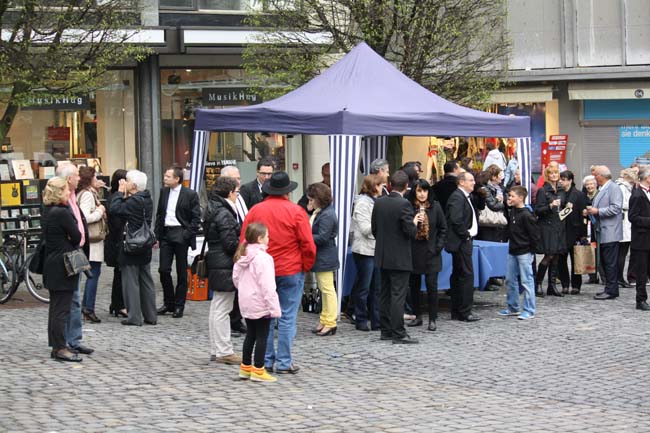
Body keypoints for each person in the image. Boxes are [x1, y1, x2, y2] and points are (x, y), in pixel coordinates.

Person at [240, 171, 316, 374]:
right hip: (290, 269)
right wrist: (305, 265)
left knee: (264, 316)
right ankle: (283, 362)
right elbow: (308, 244)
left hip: (261, 270)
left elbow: (244, 241)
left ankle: (265, 360)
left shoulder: (255, 210)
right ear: (287, 192)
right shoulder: (296, 211)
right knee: (287, 316)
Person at [372, 170, 419, 344]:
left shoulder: (379, 202)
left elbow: (375, 229)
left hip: (383, 254)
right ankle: (398, 332)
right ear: (406, 186)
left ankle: (386, 330)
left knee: (385, 294)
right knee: (398, 295)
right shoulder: (404, 204)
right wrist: (415, 223)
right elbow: (410, 231)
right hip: (399, 257)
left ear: (390, 185)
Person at [233, 223, 282, 382]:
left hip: (246, 301)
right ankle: (259, 370)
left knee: (251, 334)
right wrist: (274, 307)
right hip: (260, 302)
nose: (269, 238)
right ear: (260, 239)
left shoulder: (242, 255)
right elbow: (268, 286)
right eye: (267, 236)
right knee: (262, 336)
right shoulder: (263, 258)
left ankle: (245, 367)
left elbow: (236, 278)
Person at [43, 177, 83, 362]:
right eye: (66, 189)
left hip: (52, 263)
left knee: (55, 309)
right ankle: (60, 348)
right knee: (61, 310)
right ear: (60, 192)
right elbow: (76, 236)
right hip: (63, 265)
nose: (69, 192)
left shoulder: (48, 210)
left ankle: (56, 346)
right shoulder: (61, 212)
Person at [109, 170, 157, 326]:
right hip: (145, 244)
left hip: (132, 245)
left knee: (130, 282)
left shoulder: (134, 201)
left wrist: (119, 192)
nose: (125, 182)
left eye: (127, 180)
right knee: (146, 280)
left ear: (134, 185)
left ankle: (134, 317)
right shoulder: (147, 198)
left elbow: (114, 209)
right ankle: (150, 315)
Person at [55, 162, 93, 355]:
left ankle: (74, 339)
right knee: (69, 300)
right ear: (69, 178)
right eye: (77, 175)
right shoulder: (60, 201)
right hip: (67, 255)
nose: (79, 178)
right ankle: (67, 341)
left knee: (75, 299)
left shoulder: (72, 197)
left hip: (77, 253)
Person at [204, 177, 242, 365]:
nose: (237, 196)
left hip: (216, 261)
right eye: (236, 192)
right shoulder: (224, 212)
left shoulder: (213, 207)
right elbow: (229, 243)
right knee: (223, 307)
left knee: (217, 306)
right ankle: (224, 351)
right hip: (224, 263)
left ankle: (216, 349)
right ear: (229, 193)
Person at [155, 166, 201, 319]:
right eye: (165, 175)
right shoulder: (164, 192)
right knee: (163, 269)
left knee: (181, 272)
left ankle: (179, 305)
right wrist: (157, 234)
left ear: (177, 179)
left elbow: (196, 217)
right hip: (166, 233)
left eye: (168, 176)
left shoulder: (190, 194)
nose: (165, 178)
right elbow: (160, 214)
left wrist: (186, 234)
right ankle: (169, 302)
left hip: (181, 233)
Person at [406, 179, 447, 331]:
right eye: (419, 191)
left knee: (432, 286)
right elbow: (404, 228)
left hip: (431, 252)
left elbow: (443, 228)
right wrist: (413, 222)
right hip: (414, 251)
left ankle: (432, 318)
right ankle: (417, 316)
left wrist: (438, 247)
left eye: (425, 191)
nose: (422, 194)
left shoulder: (435, 206)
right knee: (414, 286)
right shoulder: (409, 207)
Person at [498, 186, 540, 320]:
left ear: (520, 198)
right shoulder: (513, 211)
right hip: (513, 250)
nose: (509, 198)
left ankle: (529, 309)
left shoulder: (526, 215)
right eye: (509, 196)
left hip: (524, 251)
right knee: (510, 279)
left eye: (512, 196)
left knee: (527, 281)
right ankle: (513, 307)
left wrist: (531, 251)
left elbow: (534, 235)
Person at [445, 172, 482, 322]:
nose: (474, 183)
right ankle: (465, 311)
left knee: (460, 274)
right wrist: (466, 235)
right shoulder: (457, 197)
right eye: (471, 180)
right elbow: (456, 220)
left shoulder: (466, 197)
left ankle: (458, 310)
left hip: (463, 240)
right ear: (461, 182)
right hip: (461, 241)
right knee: (466, 275)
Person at [306, 182, 339, 336]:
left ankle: (330, 322)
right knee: (324, 289)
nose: (310, 202)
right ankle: (325, 319)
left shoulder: (327, 214)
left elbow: (323, 237)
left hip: (325, 257)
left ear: (319, 199)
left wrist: (305, 236)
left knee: (327, 290)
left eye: (312, 199)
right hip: (322, 257)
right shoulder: (322, 211)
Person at [218, 165, 248, 336]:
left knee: (239, 288)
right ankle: (230, 322)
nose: (238, 181)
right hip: (230, 249)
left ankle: (236, 319)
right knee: (228, 291)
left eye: (239, 178)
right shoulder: (222, 202)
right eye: (234, 178)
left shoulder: (240, 196)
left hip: (241, 244)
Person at [350, 175, 383, 332]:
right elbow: (365, 229)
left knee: (376, 287)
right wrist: (382, 224)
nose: (383, 188)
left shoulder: (376, 202)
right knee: (364, 287)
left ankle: (376, 320)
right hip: (364, 250)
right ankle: (360, 319)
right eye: (381, 185)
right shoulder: (362, 203)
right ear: (374, 187)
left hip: (375, 248)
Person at [76, 166, 106, 323]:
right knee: (93, 274)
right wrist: (100, 211)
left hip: (90, 241)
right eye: (95, 177)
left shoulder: (86, 192)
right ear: (89, 179)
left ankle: (87, 307)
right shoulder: (87, 195)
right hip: (92, 241)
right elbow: (84, 217)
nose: (98, 179)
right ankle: (88, 308)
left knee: (92, 273)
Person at [588, 166, 623, 300]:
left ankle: (611, 289)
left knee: (610, 262)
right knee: (605, 261)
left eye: (596, 175)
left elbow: (616, 208)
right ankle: (610, 287)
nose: (594, 178)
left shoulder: (613, 188)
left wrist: (598, 211)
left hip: (610, 231)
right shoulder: (603, 188)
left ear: (601, 176)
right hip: (602, 231)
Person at [534, 164, 566, 297]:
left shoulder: (561, 190)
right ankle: (538, 284)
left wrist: (567, 208)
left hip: (559, 225)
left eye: (556, 173)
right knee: (549, 255)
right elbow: (538, 210)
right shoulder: (543, 190)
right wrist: (550, 205)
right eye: (551, 173)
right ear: (547, 175)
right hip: (547, 227)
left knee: (556, 256)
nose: (554, 175)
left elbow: (563, 207)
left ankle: (552, 286)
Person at [557, 170, 587, 295]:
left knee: (576, 259)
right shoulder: (558, 193)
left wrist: (583, 234)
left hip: (574, 230)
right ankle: (565, 284)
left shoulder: (578, 194)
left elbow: (583, 215)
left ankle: (576, 285)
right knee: (561, 260)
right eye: (561, 179)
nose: (561, 182)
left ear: (570, 180)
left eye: (564, 179)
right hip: (561, 231)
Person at [106, 169, 128, 318]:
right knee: (120, 273)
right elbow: (116, 220)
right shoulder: (115, 198)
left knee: (119, 273)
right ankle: (119, 304)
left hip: (118, 240)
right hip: (117, 240)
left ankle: (116, 304)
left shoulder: (117, 197)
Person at [627, 166, 650, 311]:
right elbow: (633, 217)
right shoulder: (636, 195)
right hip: (641, 240)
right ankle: (640, 300)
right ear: (647, 178)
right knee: (641, 273)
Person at [615, 168, 637, 288]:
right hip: (624, 222)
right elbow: (622, 203)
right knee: (622, 253)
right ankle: (619, 278)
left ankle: (619, 278)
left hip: (626, 223)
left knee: (622, 252)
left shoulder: (626, 187)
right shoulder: (622, 187)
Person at [477, 164, 508, 243]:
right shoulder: (485, 189)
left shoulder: (501, 189)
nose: (501, 177)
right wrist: (503, 203)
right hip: (488, 224)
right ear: (494, 177)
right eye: (500, 175)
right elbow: (492, 206)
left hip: (499, 224)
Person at [583, 175, 600, 284]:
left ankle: (602, 275)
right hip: (586, 227)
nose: (590, 186)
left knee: (598, 251)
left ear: (596, 184)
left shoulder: (599, 195)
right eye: (587, 184)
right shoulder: (583, 196)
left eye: (592, 184)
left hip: (597, 227)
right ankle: (592, 276)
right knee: (589, 251)